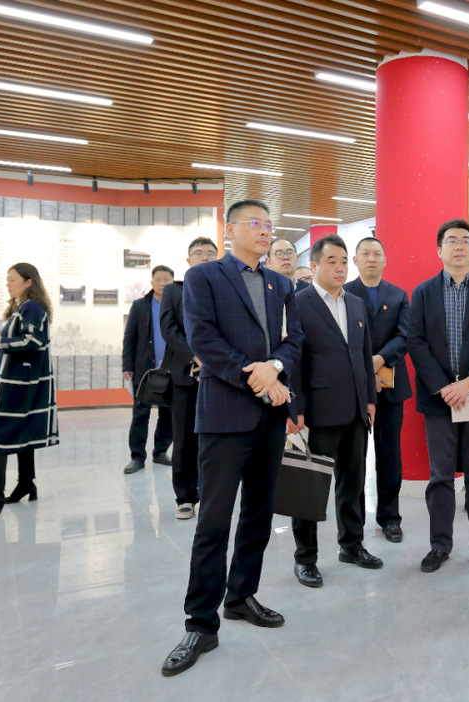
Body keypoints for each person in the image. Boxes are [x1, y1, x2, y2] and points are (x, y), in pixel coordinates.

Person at [161, 199, 303, 677]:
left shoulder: (281, 284)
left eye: (269, 224)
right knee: (214, 520)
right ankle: (201, 623)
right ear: (230, 230)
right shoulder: (203, 277)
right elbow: (203, 338)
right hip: (225, 415)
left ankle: (242, 596)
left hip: (270, 417)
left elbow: (295, 340)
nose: (265, 230)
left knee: (259, 514)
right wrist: (257, 378)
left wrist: (275, 367)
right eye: (255, 223)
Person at [407, 219, 469, 574]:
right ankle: (440, 544)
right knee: (441, 476)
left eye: (465, 240)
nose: (459, 246)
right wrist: (443, 387)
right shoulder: (423, 292)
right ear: (440, 250)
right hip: (439, 399)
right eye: (451, 241)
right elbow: (416, 342)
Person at [287, 234, 380, 588]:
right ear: (313, 266)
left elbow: (364, 354)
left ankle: (352, 545)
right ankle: (305, 558)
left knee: (352, 483)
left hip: (355, 410)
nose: (340, 268)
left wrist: (369, 399)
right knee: (309, 487)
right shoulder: (299, 303)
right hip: (317, 412)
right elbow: (293, 361)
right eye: (331, 261)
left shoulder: (355, 303)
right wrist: (295, 409)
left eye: (343, 261)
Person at [0, 263, 58, 514]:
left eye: (12, 279)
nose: (8, 284)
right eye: (7, 279)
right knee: (22, 430)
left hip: (19, 382)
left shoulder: (32, 307)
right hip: (19, 379)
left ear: (29, 282)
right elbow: (22, 340)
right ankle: (26, 483)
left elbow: (32, 341)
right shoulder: (24, 307)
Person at [343, 237, 412, 543]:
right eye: (365, 254)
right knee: (353, 456)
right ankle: (353, 522)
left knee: (389, 454)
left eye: (377, 254)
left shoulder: (398, 295)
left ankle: (390, 517)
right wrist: (363, 364)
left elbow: (405, 335)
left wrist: (380, 359)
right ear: (355, 260)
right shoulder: (344, 293)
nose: (371, 258)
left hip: (390, 385)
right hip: (352, 387)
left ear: (385, 260)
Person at [160, 237, 218, 520]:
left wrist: (213, 359)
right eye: (198, 253)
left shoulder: (225, 288)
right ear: (188, 261)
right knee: (183, 439)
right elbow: (169, 329)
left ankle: (211, 493)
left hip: (218, 376)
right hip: (184, 375)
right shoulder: (173, 290)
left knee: (214, 439)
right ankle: (185, 496)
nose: (204, 257)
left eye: (210, 253)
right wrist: (196, 356)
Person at [122, 265, 174, 474]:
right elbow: (129, 337)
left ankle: (160, 452)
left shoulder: (178, 305)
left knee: (168, 414)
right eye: (158, 279)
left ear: (172, 282)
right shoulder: (140, 306)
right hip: (144, 369)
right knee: (140, 414)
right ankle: (137, 457)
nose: (162, 283)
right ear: (152, 283)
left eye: (166, 279)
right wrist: (127, 367)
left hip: (171, 369)